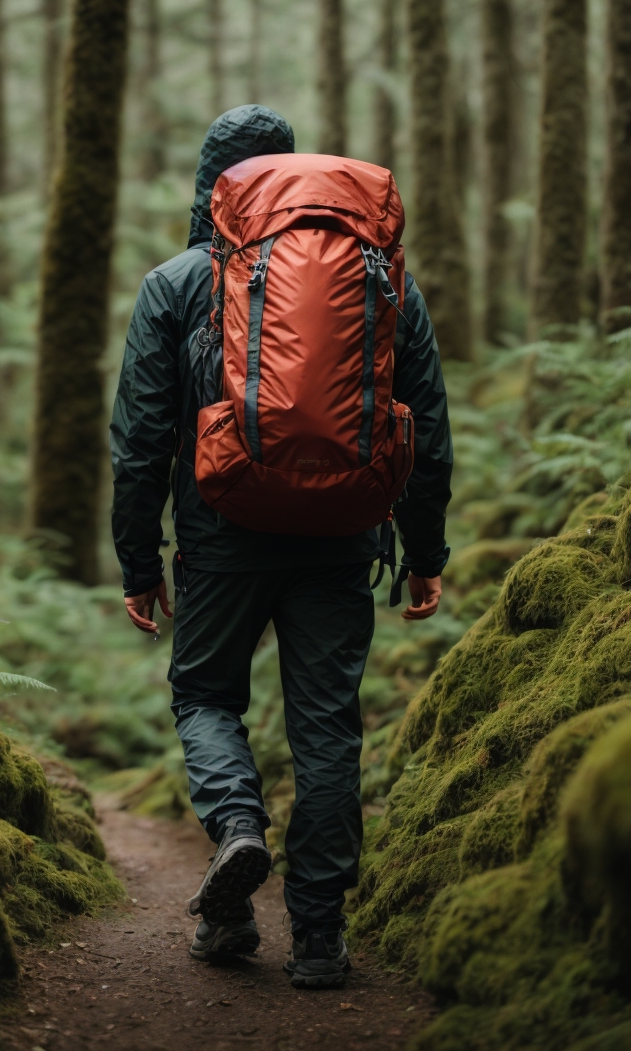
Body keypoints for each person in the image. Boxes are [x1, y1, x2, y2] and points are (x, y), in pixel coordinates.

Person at [109, 105, 454, 989]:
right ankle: (320, 939)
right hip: (344, 535)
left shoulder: (177, 282)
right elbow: (426, 428)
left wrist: (139, 563)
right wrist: (424, 551)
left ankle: (236, 833)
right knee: (327, 729)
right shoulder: (380, 278)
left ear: (211, 184)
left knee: (205, 697)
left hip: (222, 535)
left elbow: (141, 440)